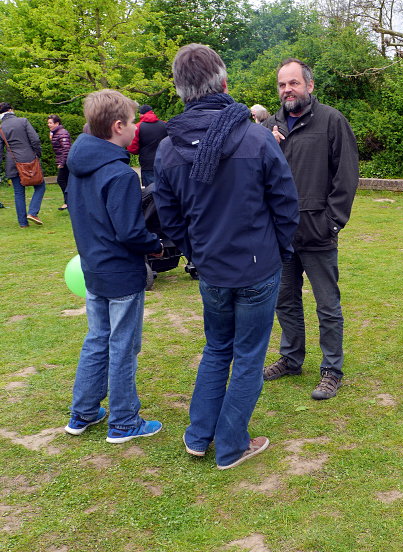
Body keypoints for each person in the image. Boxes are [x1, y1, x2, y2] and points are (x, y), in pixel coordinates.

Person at [153, 44, 299, 470]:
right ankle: (229, 444)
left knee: (218, 348)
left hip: (220, 268)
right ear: (223, 83)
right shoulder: (253, 135)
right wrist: (276, 250)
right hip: (248, 268)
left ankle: (200, 436)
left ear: (181, 91)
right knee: (245, 354)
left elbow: (170, 217)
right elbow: (286, 205)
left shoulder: (170, 147)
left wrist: (198, 252)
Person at [64, 89, 164, 444]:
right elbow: (131, 232)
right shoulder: (119, 175)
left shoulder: (77, 164)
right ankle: (124, 422)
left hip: (93, 268)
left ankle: (84, 412)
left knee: (97, 339)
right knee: (122, 345)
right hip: (120, 273)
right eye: (133, 122)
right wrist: (156, 247)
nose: (136, 128)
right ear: (118, 126)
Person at [262, 58, 359, 401]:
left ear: (309, 86)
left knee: (327, 305)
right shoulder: (269, 126)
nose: (287, 90)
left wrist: (331, 222)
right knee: (284, 300)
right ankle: (291, 359)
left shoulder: (331, 121)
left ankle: (332, 369)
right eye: (282, 85)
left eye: (293, 83)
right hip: (280, 235)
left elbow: (346, 176)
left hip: (317, 232)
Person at [0, 102, 45, 227]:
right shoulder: (23, 121)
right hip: (28, 159)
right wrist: (37, 154)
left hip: (12, 162)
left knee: (19, 192)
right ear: (11, 110)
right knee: (40, 186)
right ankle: (32, 212)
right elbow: (35, 139)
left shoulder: (1, 127)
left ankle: (23, 223)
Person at [127, 104, 167, 187]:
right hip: (165, 162)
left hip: (147, 165)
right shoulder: (165, 124)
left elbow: (132, 148)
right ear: (152, 112)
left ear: (141, 114)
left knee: (150, 193)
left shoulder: (137, 127)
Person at [47, 114, 71, 210]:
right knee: (65, 181)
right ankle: (68, 202)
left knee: (61, 180)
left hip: (66, 161)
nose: (49, 125)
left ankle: (68, 202)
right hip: (64, 160)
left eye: (50, 123)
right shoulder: (55, 133)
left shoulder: (62, 133)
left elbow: (66, 149)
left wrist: (62, 162)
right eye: (48, 123)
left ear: (57, 123)